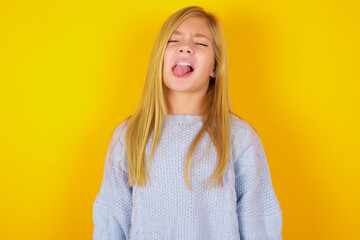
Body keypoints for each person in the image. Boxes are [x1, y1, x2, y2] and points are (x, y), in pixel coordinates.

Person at [92, 5, 283, 240]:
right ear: (159, 59)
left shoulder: (238, 137)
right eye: (173, 40)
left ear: (215, 66)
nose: (185, 47)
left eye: (200, 43)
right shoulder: (131, 135)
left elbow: (259, 222)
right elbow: (111, 221)